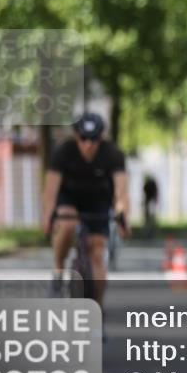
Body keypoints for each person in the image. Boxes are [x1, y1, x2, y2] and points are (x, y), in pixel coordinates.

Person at [42, 112, 130, 312]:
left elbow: (122, 192)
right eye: (83, 139)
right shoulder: (63, 152)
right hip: (69, 198)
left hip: (99, 200)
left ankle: (96, 311)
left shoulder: (112, 154)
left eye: (94, 139)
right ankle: (58, 270)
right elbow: (50, 191)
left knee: (98, 253)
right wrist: (47, 216)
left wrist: (123, 218)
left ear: (101, 138)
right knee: (67, 224)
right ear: (76, 137)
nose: (88, 144)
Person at [142, 174, 159, 239]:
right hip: (149, 202)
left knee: (150, 219)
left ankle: (149, 233)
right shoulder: (148, 185)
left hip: (150, 202)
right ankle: (148, 233)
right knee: (149, 219)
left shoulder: (149, 185)